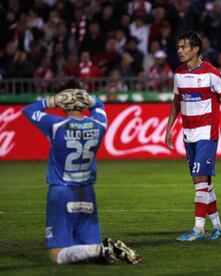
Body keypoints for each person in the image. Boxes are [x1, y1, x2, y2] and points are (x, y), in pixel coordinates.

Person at [22, 80, 141, 265]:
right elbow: (99, 105)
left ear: (63, 102)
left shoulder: (56, 126)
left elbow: (28, 111)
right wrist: (88, 98)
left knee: (57, 255)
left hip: (61, 192)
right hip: (87, 193)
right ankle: (101, 250)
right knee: (88, 255)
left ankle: (101, 248)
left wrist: (51, 101)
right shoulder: (99, 125)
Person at [165, 31, 221, 241]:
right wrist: (169, 128)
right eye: (178, 47)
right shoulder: (178, 73)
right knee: (204, 182)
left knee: (199, 179)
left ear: (196, 49)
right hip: (188, 133)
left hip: (207, 132)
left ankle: (198, 229)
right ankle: (217, 226)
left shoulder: (211, 73)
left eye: (184, 46)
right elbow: (176, 101)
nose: (179, 50)